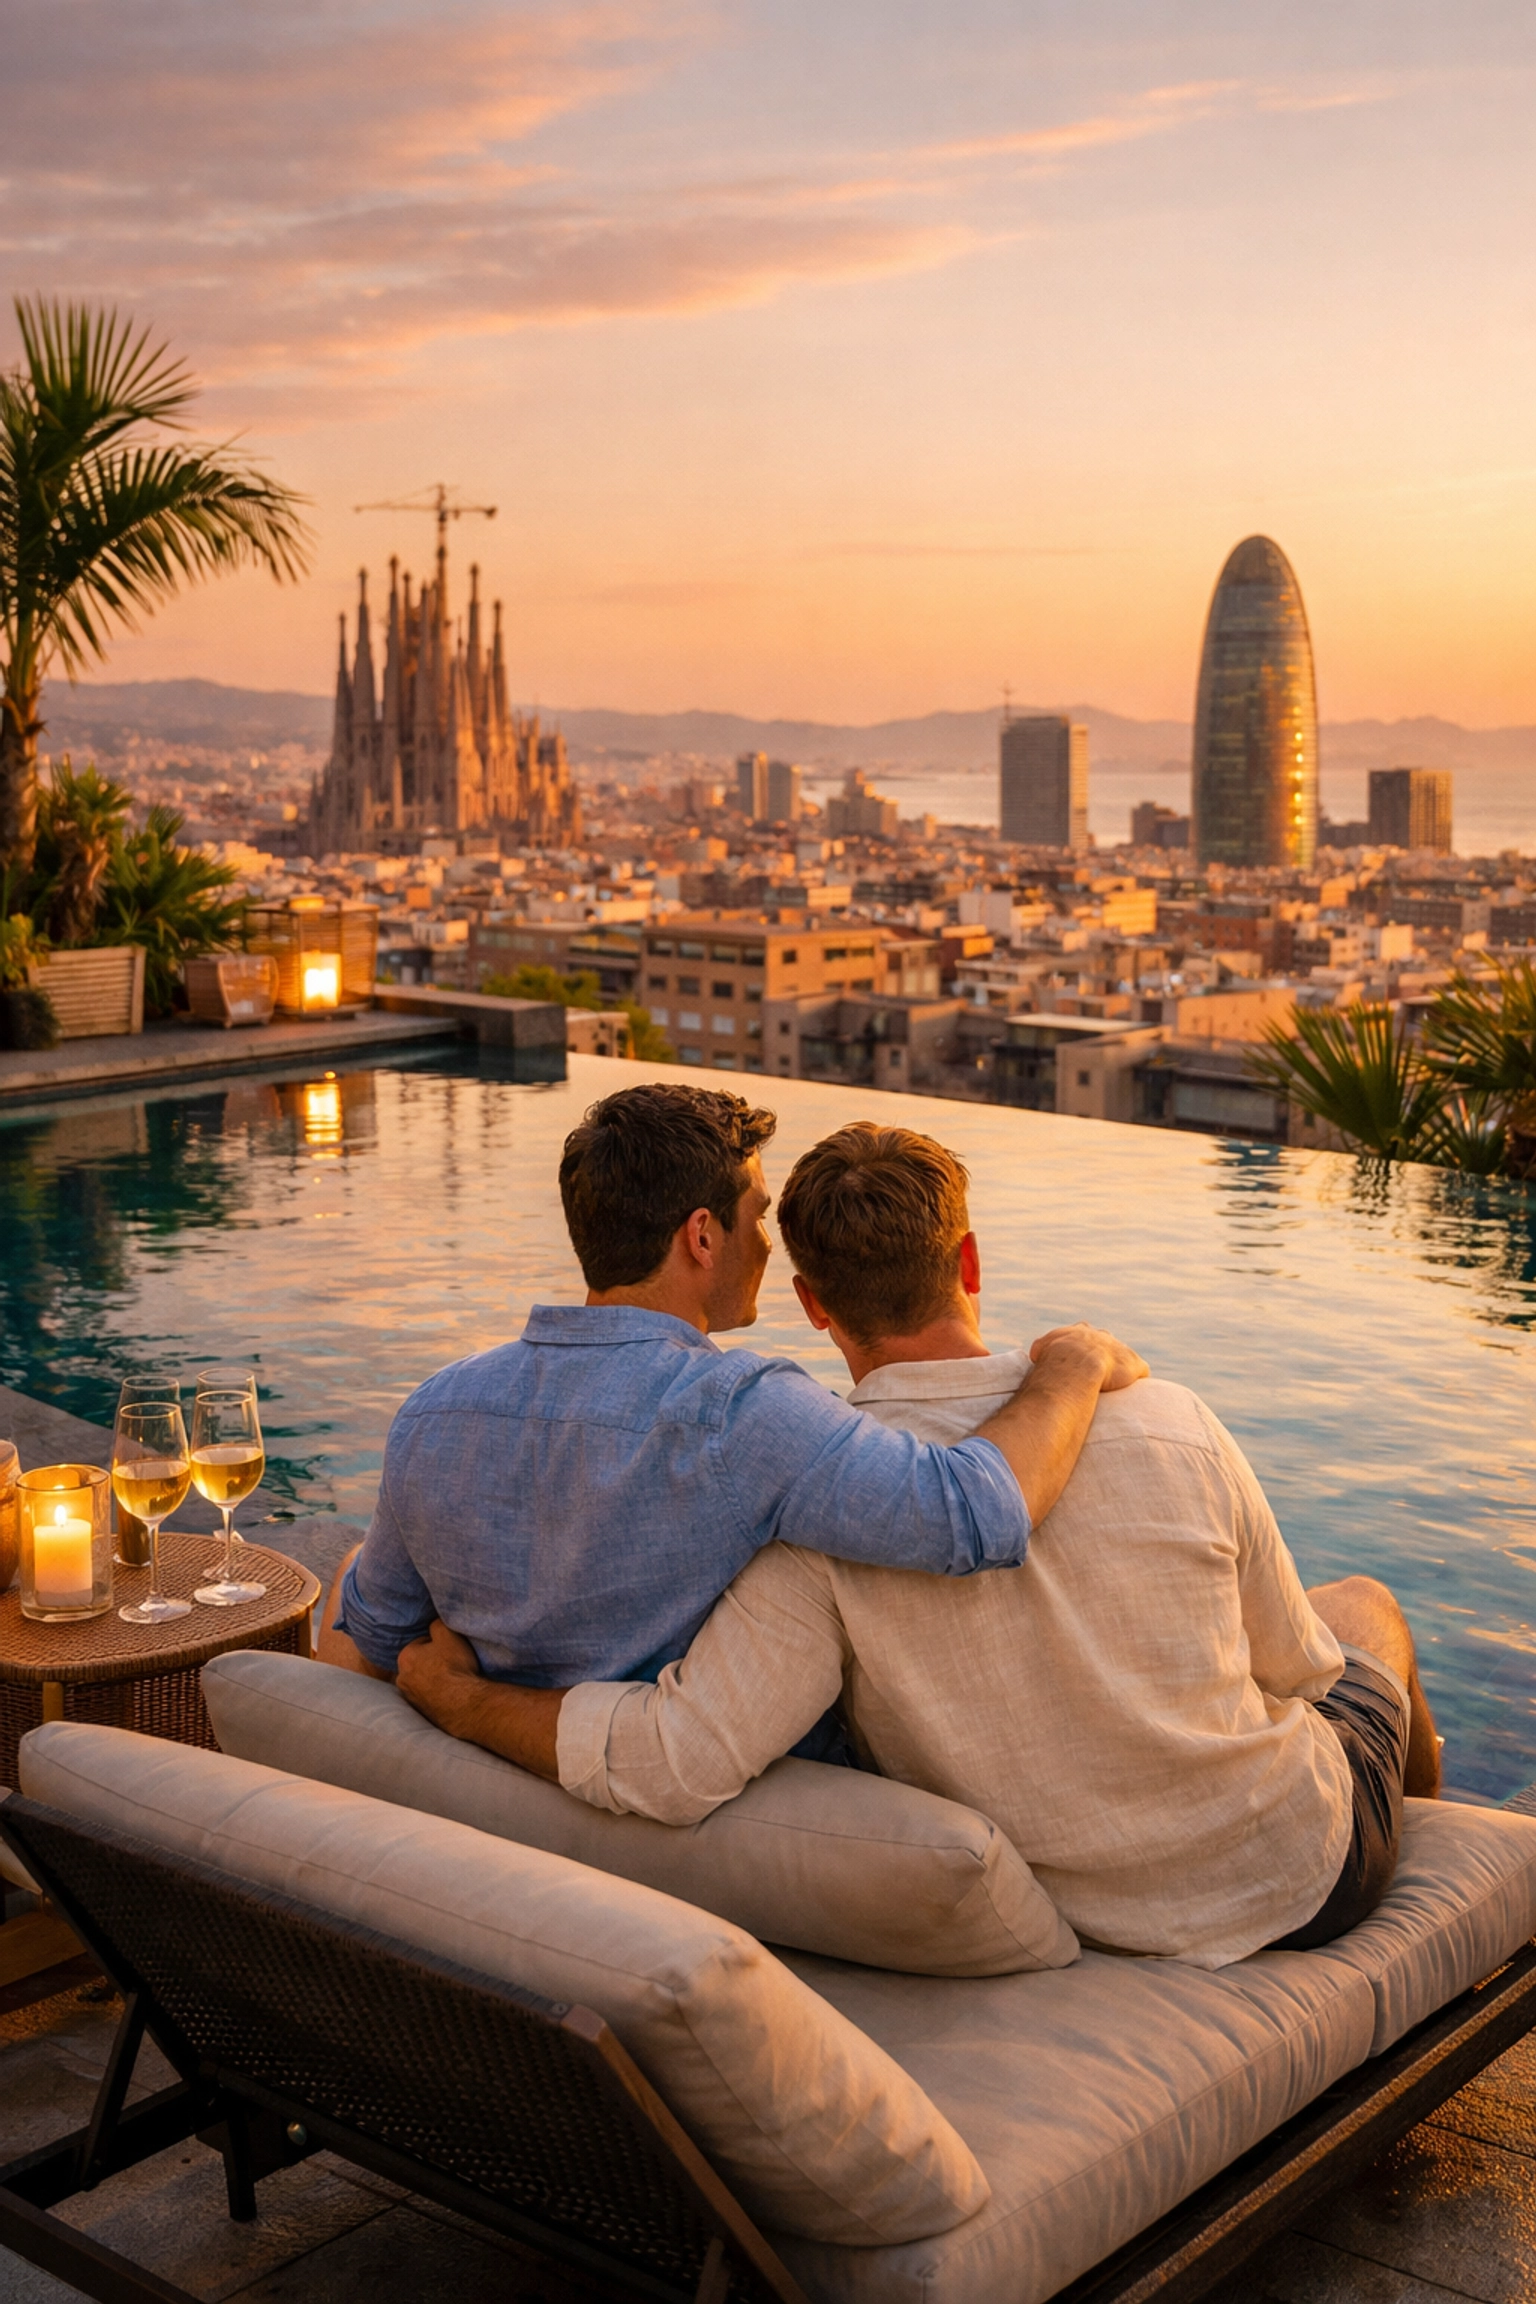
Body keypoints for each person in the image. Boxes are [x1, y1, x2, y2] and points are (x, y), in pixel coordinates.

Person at [396, 1121, 1441, 1968]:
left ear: (811, 1306)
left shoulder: (815, 1527)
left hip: (1071, 1899)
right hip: (1297, 1879)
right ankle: (1446, 1856)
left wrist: (466, 1698)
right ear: (969, 1258)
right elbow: (1298, 1670)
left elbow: (677, 1759)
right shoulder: (1170, 1418)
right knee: (1365, 1616)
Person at [320, 1087, 1145, 1746]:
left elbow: (365, 1646)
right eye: (756, 1215)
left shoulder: (433, 1412)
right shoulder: (740, 1415)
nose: (767, 1242)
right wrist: (1072, 1364)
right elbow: (972, 1514)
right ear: (702, 1238)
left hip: (500, 1808)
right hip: (681, 1813)